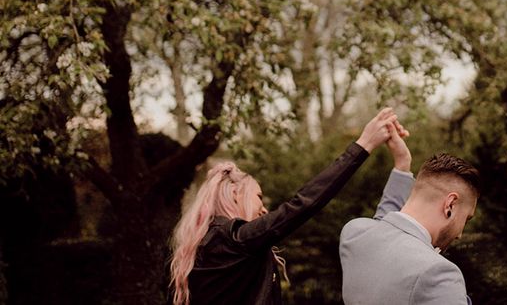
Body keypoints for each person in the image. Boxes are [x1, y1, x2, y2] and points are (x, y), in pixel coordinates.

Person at [169, 107, 406, 305]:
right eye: (258, 197)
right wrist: (363, 145)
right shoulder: (231, 239)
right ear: (233, 194)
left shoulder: (212, 246)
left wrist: (402, 165)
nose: (263, 209)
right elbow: (302, 205)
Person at [339, 136, 480, 305]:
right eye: (466, 219)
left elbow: (387, 224)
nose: (460, 234)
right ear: (450, 205)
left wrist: (402, 164)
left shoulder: (355, 234)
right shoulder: (439, 274)